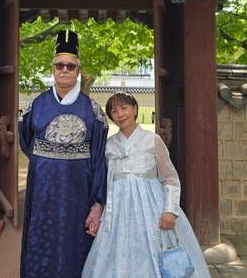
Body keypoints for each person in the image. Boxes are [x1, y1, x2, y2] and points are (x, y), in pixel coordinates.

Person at [82, 92, 210, 278]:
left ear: (135, 109)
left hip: (152, 207)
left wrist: (170, 210)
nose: (120, 114)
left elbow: (170, 178)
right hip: (117, 211)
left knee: (156, 251)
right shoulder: (109, 146)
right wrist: (99, 210)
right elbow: (105, 182)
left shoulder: (153, 140)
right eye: (114, 111)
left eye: (124, 108)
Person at [19, 30, 108, 278]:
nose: (65, 70)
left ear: (78, 71)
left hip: (79, 192)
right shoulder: (36, 105)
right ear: (53, 70)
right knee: (41, 239)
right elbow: (26, 140)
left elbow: (99, 157)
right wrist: (46, 161)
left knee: (76, 245)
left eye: (71, 66)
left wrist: (98, 202)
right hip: (43, 191)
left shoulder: (93, 110)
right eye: (60, 65)